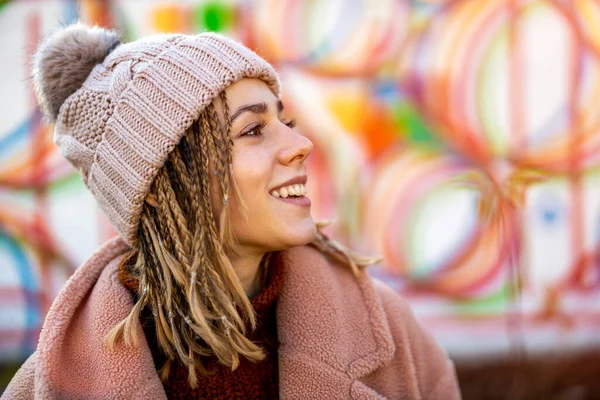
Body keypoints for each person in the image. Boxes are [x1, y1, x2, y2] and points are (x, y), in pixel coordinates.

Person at [3, 23, 461, 400]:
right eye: (253, 130)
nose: (300, 146)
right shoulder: (56, 381)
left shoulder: (388, 331)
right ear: (161, 185)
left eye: (286, 122)